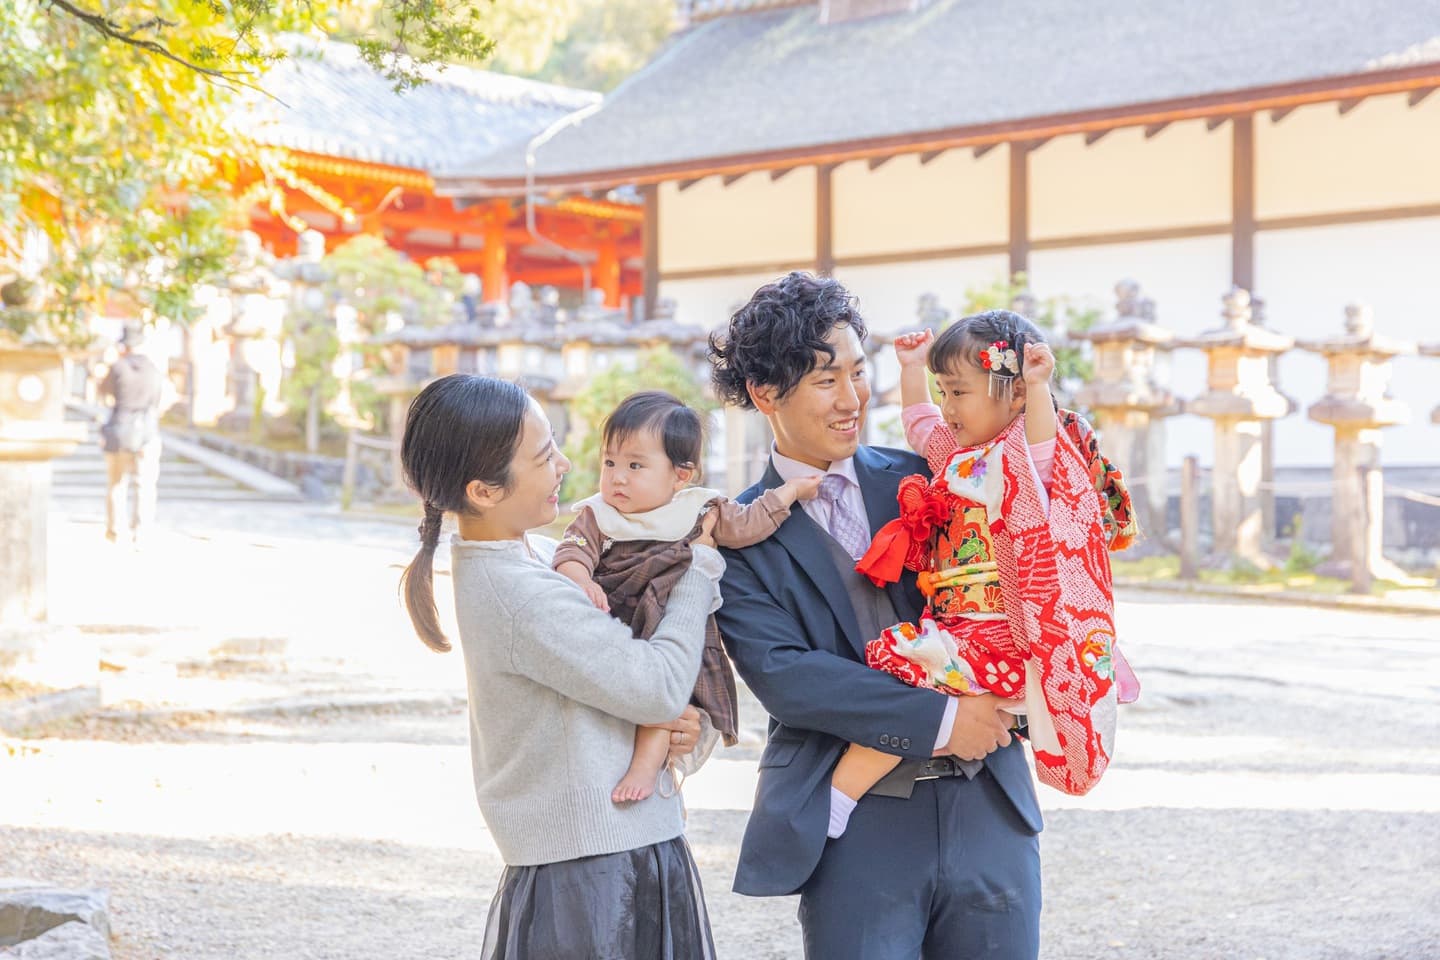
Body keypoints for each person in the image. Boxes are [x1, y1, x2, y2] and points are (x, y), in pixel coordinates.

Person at [709, 272, 1043, 960]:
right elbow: (787, 677)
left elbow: (1022, 580)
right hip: (856, 826)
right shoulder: (736, 534)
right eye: (826, 380)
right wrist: (946, 719)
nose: (853, 398)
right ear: (765, 393)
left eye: (859, 373)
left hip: (990, 806)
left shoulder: (933, 476)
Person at [398, 374, 720, 960]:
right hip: (594, 872)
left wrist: (681, 729)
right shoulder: (522, 594)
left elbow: (647, 689)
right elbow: (658, 686)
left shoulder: (544, 560)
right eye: (545, 456)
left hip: (610, 852)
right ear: (484, 490)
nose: (566, 465)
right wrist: (699, 571)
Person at [827, 311, 1140, 835]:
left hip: (1004, 632)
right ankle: (851, 794)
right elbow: (920, 424)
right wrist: (911, 369)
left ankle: (839, 795)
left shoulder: (1025, 458)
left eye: (959, 392)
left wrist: (1037, 385)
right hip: (960, 625)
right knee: (921, 703)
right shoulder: (961, 456)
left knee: (914, 691)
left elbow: (1042, 443)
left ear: (1012, 394)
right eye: (943, 392)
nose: (948, 407)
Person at [554, 390, 822, 803]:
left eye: (635, 465)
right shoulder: (598, 515)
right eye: (610, 463)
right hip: (618, 626)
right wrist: (579, 579)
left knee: (669, 701)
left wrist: (789, 492)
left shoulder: (702, 510)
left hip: (668, 626)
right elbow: (572, 551)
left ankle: (649, 765)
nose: (618, 477)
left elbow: (748, 524)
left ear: (681, 475)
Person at [100, 325, 163, 547]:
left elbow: (104, 393)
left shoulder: (118, 367)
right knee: (145, 485)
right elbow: (157, 400)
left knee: (116, 483)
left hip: (120, 428)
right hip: (146, 430)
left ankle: (115, 531)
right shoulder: (153, 369)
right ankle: (141, 531)